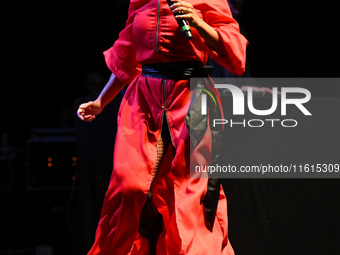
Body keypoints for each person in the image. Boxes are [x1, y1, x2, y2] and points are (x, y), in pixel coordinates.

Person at [77, 0, 248, 254]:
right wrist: (101, 102)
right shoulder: (140, 2)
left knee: (192, 194)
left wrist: (198, 22)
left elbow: (236, 56)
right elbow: (126, 57)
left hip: (193, 97)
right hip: (144, 100)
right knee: (129, 187)